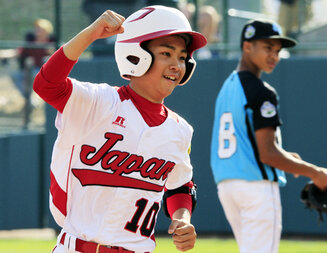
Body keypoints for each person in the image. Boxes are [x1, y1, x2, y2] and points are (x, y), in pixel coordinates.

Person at [33, 5, 207, 253]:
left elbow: (181, 185)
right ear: (136, 54)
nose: (177, 65)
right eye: (166, 53)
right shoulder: (97, 102)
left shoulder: (179, 129)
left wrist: (182, 217)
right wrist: (90, 34)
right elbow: (46, 84)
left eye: (182, 57)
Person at [210, 19, 327, 253]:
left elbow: (249, 145)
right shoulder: (262, 92)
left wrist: (290, 160)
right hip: (256, 189)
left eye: (278, 51)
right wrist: (315, 172)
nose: (274, 56)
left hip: (227, 187)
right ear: (247, 46)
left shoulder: (228, 86)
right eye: (268, 48)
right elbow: (267, 154)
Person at [12, 18, 55, 98]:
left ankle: (37, 98)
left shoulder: (52, 43)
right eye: (37, 28)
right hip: (32, 70)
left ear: (47, 31)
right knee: (16, 76)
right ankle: (28, 98)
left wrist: (51, 52)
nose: (37, 30)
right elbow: (18, 52)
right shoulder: (31, 42)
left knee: (34, 75)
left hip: (44, 73)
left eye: (40, 29)